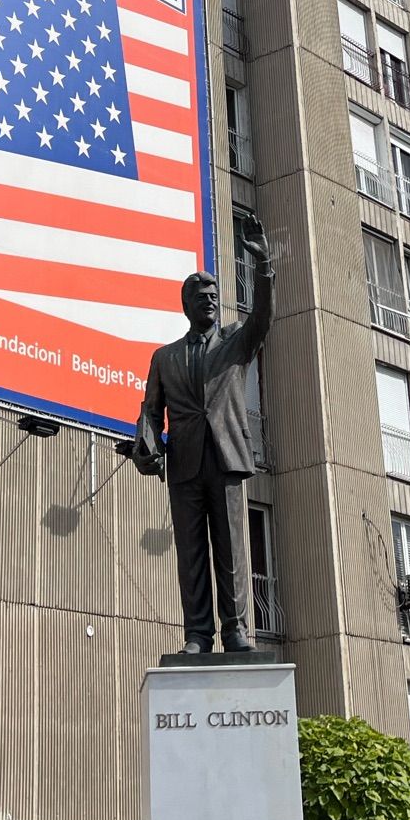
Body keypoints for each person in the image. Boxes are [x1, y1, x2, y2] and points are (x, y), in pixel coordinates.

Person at [133, 216, 274, 652]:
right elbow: (150, 412)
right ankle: (197, 634)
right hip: (186, 465)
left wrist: (263, 264)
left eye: (214, 296)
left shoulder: (236, 341)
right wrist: (147, 445)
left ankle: (236, 631)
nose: (209, 301)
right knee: (191, 553)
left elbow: (263, 319)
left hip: (227, 458)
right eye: (201, 296)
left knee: (232, 549)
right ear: (186, 305)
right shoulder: (165, 357)